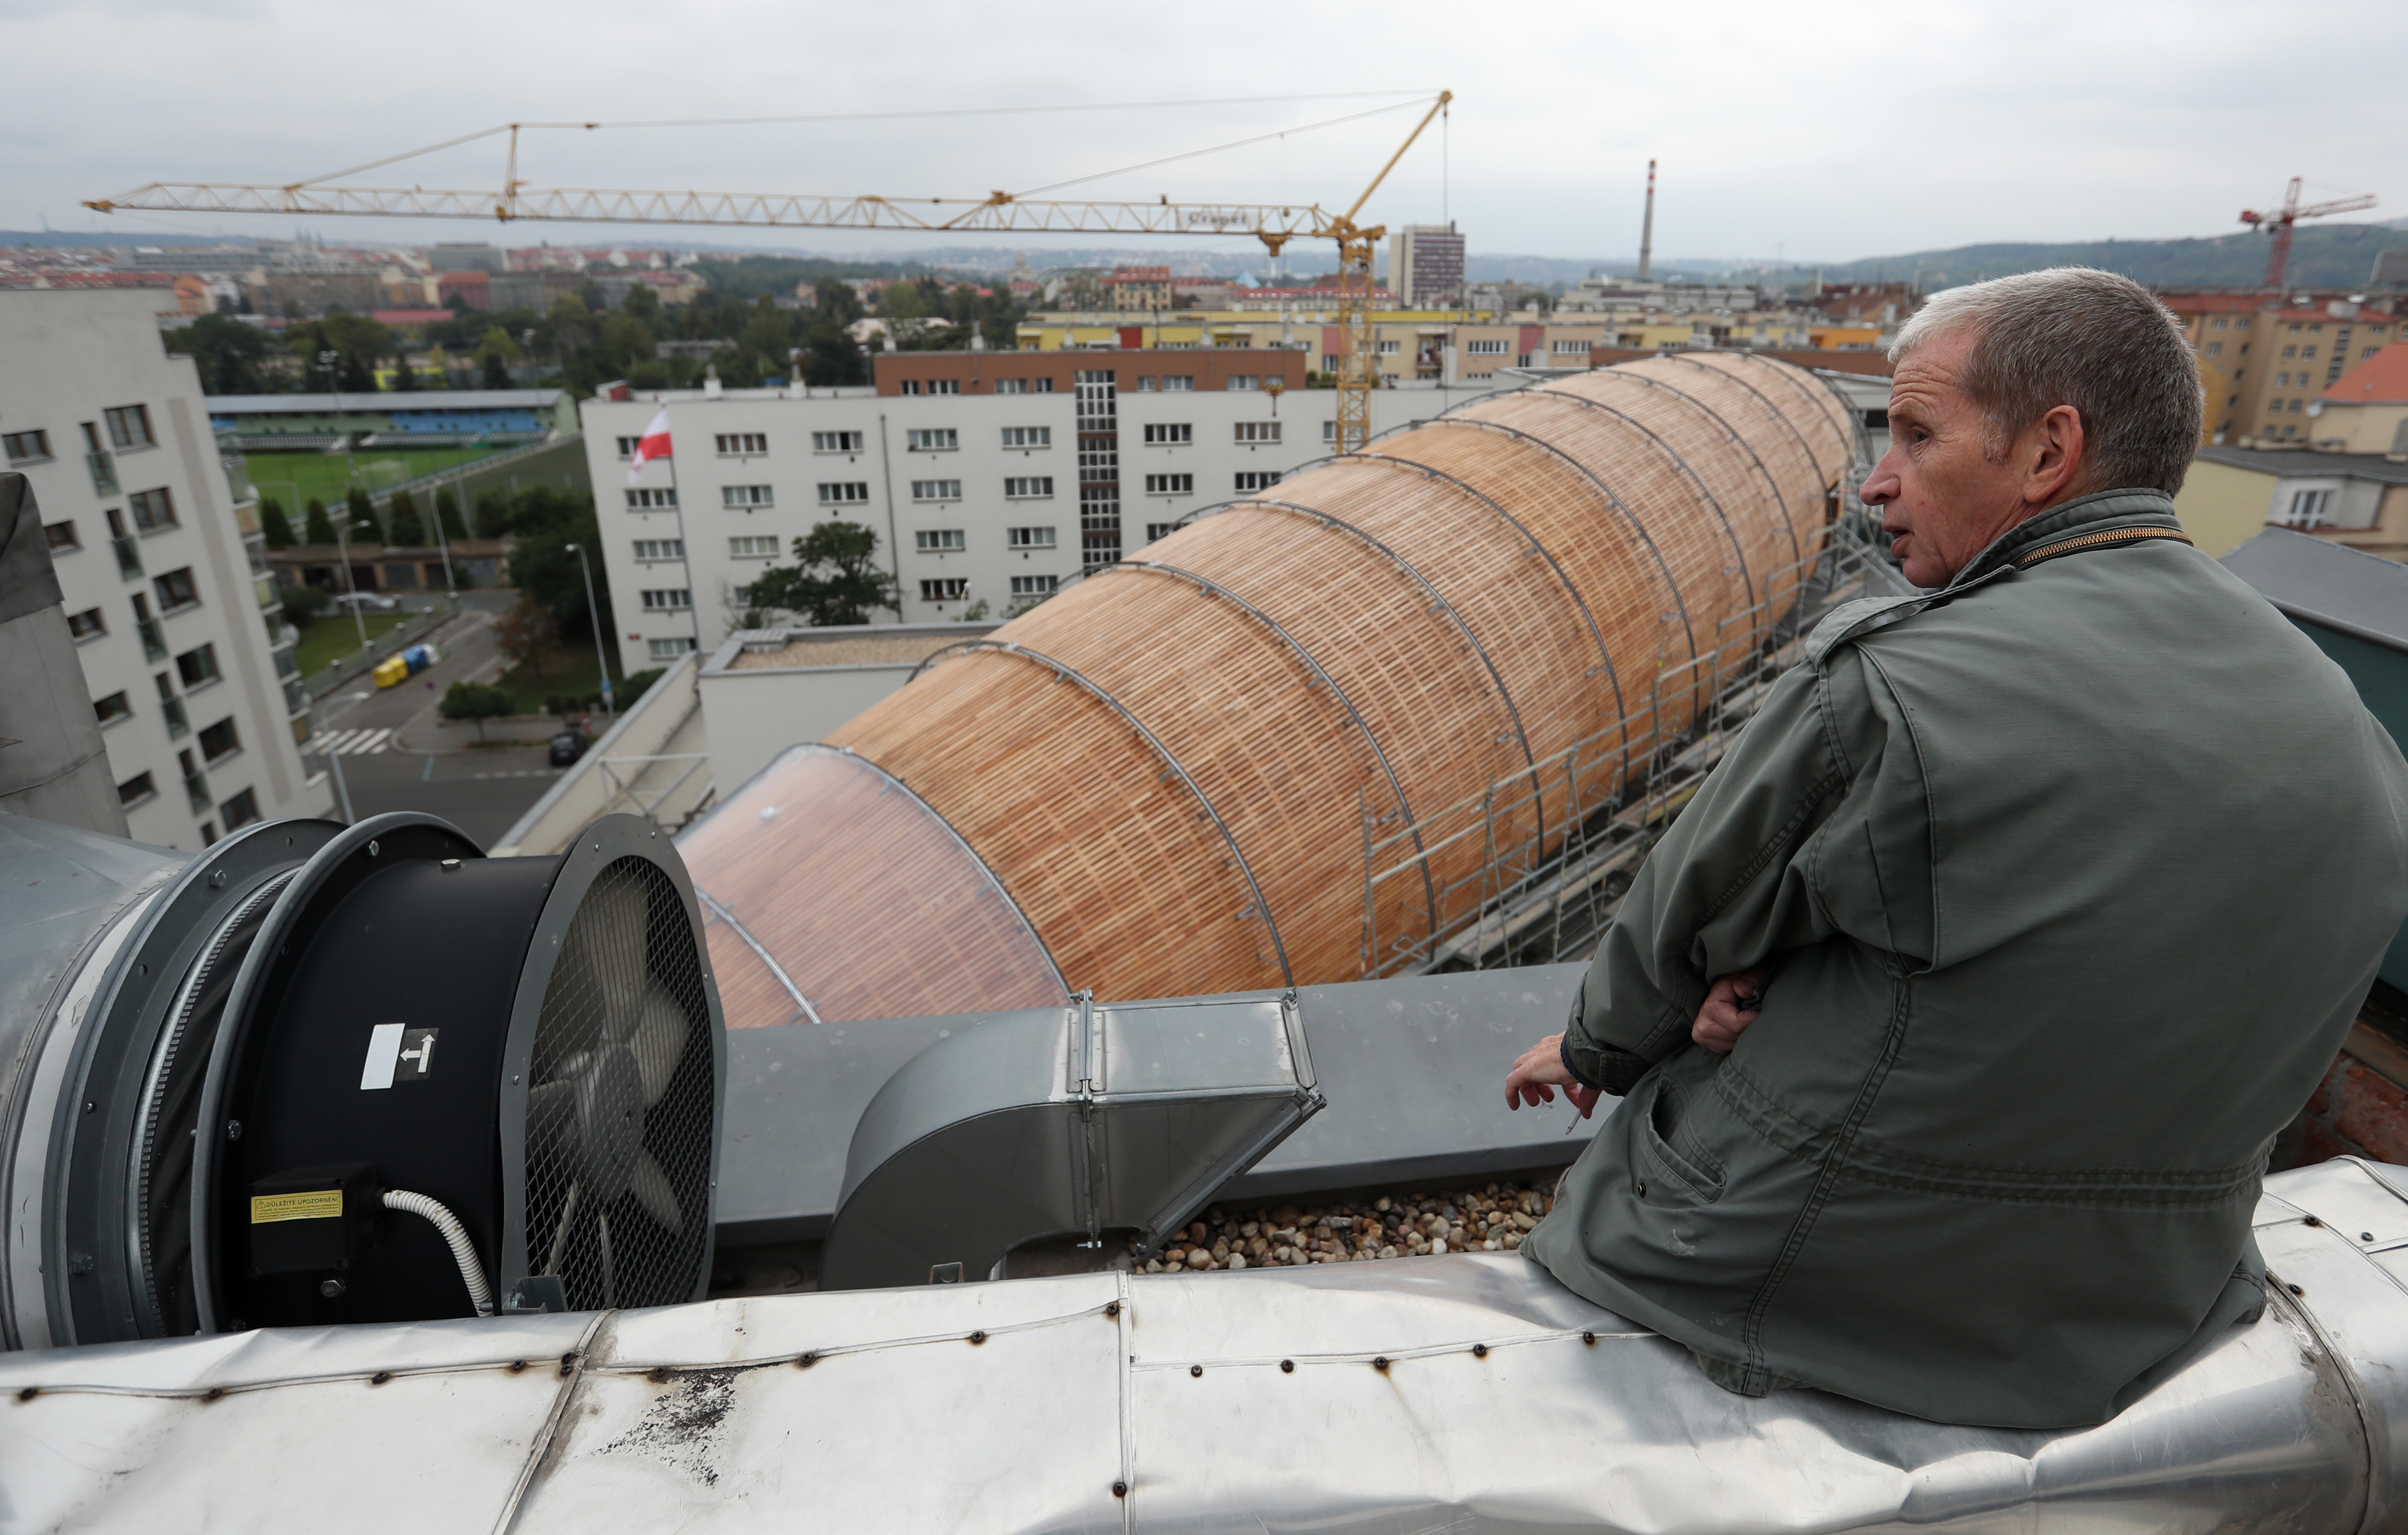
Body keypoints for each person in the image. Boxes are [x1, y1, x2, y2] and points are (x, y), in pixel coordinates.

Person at [1503, 267, 2408, 1429]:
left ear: (2047, 454)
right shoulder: (2346, 722)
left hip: (1811, 1283)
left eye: (1919, 434)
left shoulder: (1896, 684)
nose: (1879, 481)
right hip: (2148, 1302)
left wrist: (1602, 1044)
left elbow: (1685, 932)